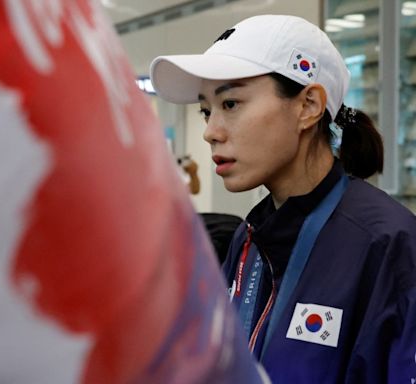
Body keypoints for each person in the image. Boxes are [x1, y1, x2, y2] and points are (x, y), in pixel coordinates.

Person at [150, 14, 416, 383]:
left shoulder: (388, 245)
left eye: (230, 104)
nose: (210, 132)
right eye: (207, 111)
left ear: (308, 106)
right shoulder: (248, 240)